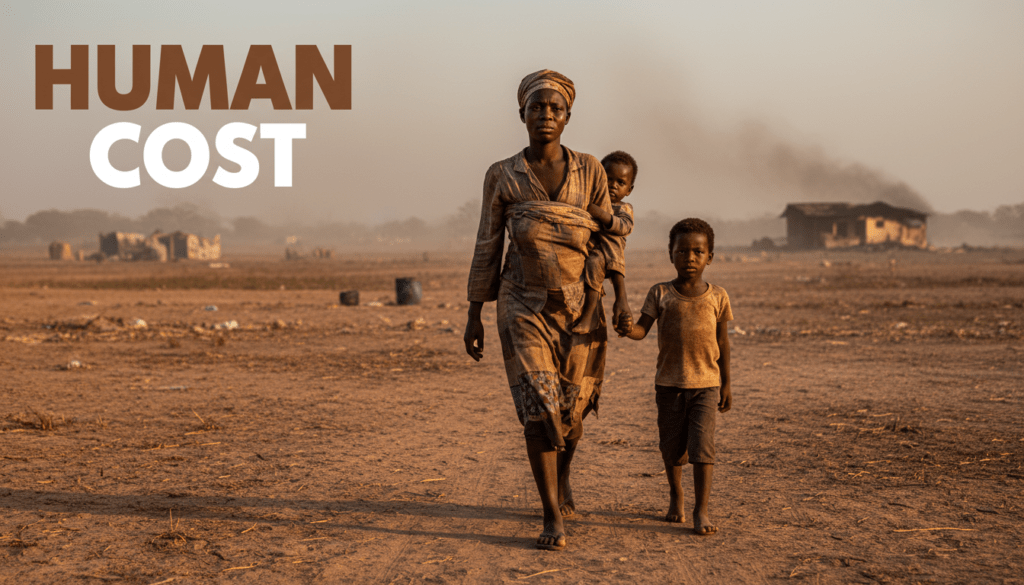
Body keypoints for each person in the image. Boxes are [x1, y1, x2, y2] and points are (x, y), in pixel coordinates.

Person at [464, 70, 625, 551]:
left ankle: (562, 479)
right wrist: (474, 313)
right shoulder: (503, 174)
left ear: (568, 116)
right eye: (537, 107)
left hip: (580, 306)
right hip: (522, 304)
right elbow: (487, 243)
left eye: (555, 109)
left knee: (570, 411)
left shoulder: (592, 170)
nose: (546, 116)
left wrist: (618, 297)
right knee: (539, 408)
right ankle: (551, 513)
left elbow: (609, 237)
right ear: (522, 115)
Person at [618, 218, 733, 535]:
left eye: (698, 251)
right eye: (682, 251)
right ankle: (675, 494)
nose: (690, 258)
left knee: (702, 448)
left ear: (709, 256)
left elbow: (723, 343)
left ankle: (701, 510)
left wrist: (727, 384)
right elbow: (642, 330)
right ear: (671, 255)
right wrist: (628, 329)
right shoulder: (660, 293)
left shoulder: (718, 296)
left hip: (707, 386)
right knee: (672, 448)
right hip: (668, 385)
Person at [572, 150, 638, 334]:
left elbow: (624, 227)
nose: (613, 186)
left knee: (603, 253)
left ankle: (589, 316)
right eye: (608, 179)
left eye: (621, 183)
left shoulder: (624, 208)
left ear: (629, 190)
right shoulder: (590, 200)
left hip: (609, 256)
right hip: (589, 251)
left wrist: (600, 213)